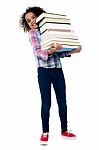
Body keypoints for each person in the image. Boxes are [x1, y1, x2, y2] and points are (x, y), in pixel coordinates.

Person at [19, 6, 82, 145]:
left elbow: (59, 53)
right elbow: (37, 52)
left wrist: (73, 51)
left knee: (62, 101)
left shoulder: (50, 30)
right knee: (46, 103)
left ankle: (64, 130)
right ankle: (45, 132)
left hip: (58, 70)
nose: (32, 21)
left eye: (33, 17)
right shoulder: (33, 33)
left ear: (40, 16)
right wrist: (50, 50)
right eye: (28, 21)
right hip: (44, 72)